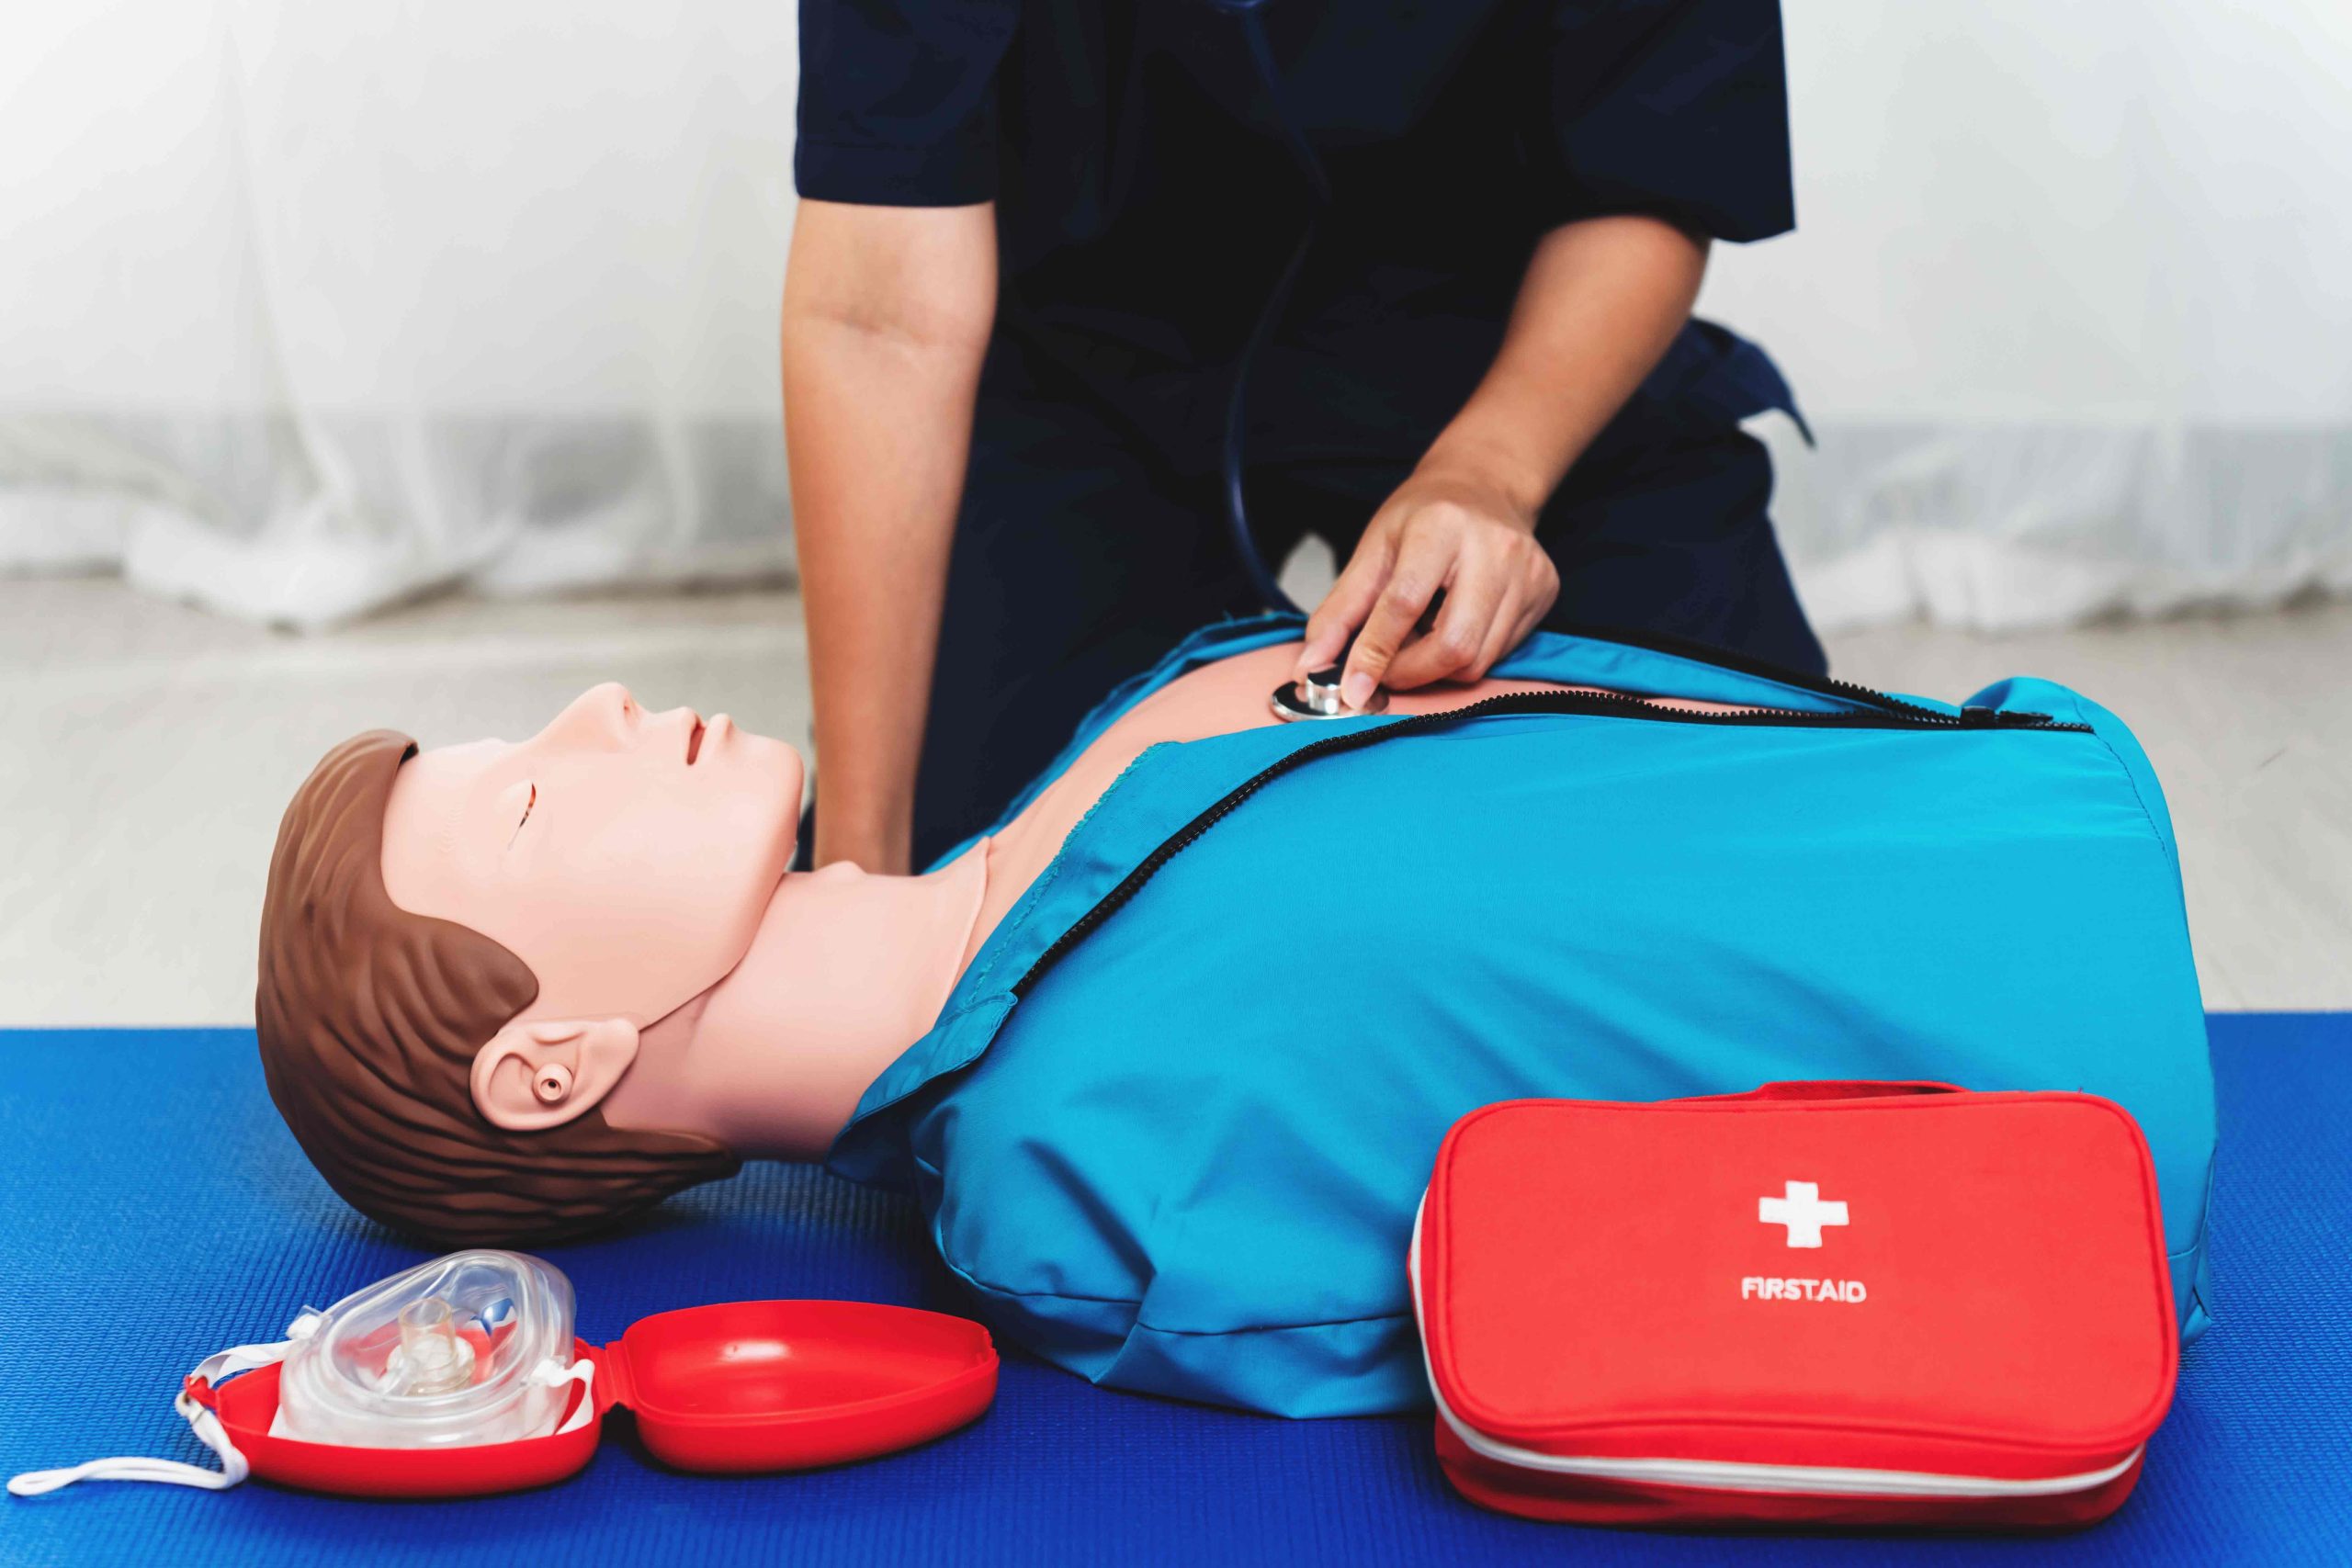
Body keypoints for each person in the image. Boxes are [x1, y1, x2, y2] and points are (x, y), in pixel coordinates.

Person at [254, 620, 2214, 1417]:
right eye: (532, 794)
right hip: (2073, 1159)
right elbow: (1540, 1341)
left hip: (2028, 789)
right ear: (555, 1062)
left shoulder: (1104, 748)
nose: (597, 712)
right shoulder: (1079, 1182)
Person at [784, 0, 1827, 876]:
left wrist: (1490, 475)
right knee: (975, 877)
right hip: (1087, 362)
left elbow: (1647, 175)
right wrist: (860, 868)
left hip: (1521, 345)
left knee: (1766, 837)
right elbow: (878, 313)